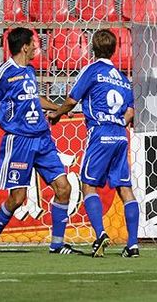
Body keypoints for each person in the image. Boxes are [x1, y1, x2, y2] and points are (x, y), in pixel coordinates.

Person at [0, 27, 82, 255]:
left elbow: (34, 98)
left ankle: (57, 244)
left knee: (64, 188)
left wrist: (59, 109)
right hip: (19, 141)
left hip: (42, 139)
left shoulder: (30, 71)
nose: (36, 47)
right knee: (17, 198)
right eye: (33, 43)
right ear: (24, 47)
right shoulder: (3, 73)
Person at [48, 30, 140, 258]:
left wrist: (57, 114)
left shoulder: (91, 70)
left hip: (100, 133)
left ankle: (100, 234)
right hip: (120, 134)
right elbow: (130, 111)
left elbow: (71, 100)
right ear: (115, 49)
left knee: (89, 186)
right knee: (125, 189)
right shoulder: (122, 78)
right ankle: (133, 245)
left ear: (92, 48)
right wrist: (118, 122)